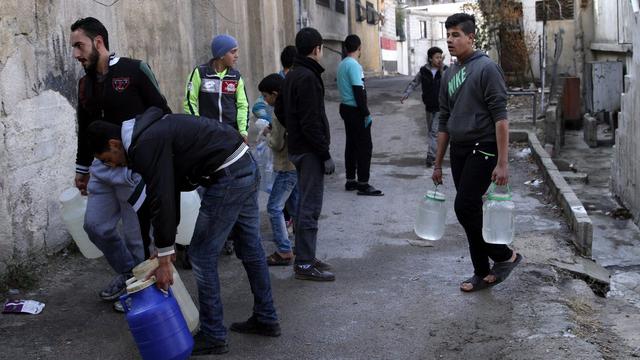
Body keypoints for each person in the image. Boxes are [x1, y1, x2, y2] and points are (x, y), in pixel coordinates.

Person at [86, 108, 280, 355]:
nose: (110, 165)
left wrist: (165, 256)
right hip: (243, 163)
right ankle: (266, 317)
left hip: (228, 174)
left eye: (106, 159)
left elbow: (163, 196)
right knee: (250, 246)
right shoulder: (146, 132)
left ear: (114, 144)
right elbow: (170, 189)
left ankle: (213, 335)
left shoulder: (144, 143)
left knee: (201, 255)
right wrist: (164, 248)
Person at [69, 17, 171, 311]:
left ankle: (147, 293)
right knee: (95, 226)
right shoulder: (84, 84)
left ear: (98, 42)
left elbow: (161, 110)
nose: (76, 53)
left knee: (137, 237)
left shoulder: (134, 70)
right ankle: (129, 274)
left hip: (133, 169)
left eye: (80, 45)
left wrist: (144, 148)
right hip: (101, 170)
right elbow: (84, 127)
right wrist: (82, 170)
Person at [432, 13, 522, 293]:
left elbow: (501, 118)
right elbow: (444, 120)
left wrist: (503, 163)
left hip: (483, 148)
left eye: (456, 34)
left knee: (464, 207)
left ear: (472, 37)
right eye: (448, 34)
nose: (450, 39)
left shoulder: (486, 68)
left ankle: (504, 256)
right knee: (469, 211)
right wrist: (437, 163)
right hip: (459, 151)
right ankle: (482, 272)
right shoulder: (448, 73)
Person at [183, 34, 249, 257]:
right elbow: (189, 102)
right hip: (206, 143)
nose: (236, 56)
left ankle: (228, 237)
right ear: (221, 54)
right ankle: (199, 238)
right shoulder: (200, 73)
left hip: (229, 143)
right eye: (233, 51)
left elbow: (242, 105)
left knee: (229, 189)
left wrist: (243, 131)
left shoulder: (236, 77)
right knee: (205, 190)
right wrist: (198, 130)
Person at [282, 27, 335, 281]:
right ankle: (303, 263)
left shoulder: (293, 74)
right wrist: (324, 154)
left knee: (305, 205)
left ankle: (307, 256)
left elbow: (281, 108)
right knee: (309, 207)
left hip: (299, 147)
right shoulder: (307, 77)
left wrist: (293, 131)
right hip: (309, 151)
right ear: (317, 49)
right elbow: (310, 121)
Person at [258, 74, 298, 266]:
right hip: (297, 164)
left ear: (275, 94)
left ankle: (284, 250)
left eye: (266, 96)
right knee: (296, 206)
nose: (265, 100)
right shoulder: (291, 105)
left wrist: (268, 134)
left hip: (286, 166)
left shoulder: (279, 111)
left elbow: (277, 143)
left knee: (274, 207)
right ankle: (303, 244)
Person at [336, 34, 383, 196]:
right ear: (359, 48)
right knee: (364, 147)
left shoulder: (342, 64)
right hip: (356, 110)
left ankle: (351, 180)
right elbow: (358, 90)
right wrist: (366, 113)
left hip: (345, 108)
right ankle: (363, 183)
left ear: (344, 48)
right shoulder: (354, 65)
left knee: (351, 144)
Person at [401, 46, 448, 168]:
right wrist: (406, 93)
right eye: (436, 57)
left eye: (440, 57)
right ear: (430, 58)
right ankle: (436, 153)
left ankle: (430, 156)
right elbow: (415, 82)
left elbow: (448, 83)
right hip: (429, 106)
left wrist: (442, 69)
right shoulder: (424, 71)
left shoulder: (445, 69)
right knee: (432, 132)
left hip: (441, 107)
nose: (439, 60)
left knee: (434, 132)